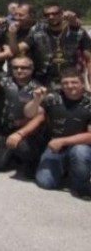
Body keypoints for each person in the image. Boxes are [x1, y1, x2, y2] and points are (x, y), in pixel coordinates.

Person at [24, 68, 91, 200]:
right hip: (55, 146)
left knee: (80, 152)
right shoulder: (52, 98)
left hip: (81, 146)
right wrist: (36, 100)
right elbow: (28, 114)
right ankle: (64, 169)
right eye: (65, 83)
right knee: (45, 182)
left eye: (74, 82)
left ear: (82, 84)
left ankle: (82, 184)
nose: (69, 86)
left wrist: (63, 141)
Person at [0, 56, 44, 177]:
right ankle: (11, 157)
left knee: (24, 149)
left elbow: (37, 115)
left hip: (26, 132)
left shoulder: (39, 88)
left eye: (24, 68)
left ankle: (30, 161)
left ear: (32, 69)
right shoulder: (3, 82)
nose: (19, 70)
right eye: (15, 67)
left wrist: (20, 133)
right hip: (4, 129)